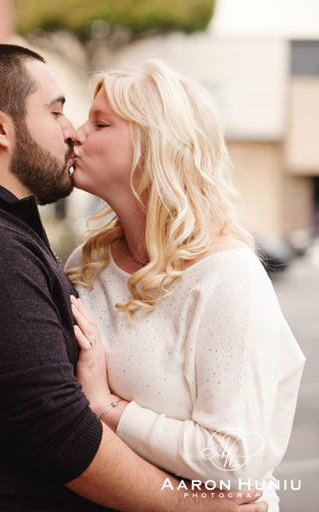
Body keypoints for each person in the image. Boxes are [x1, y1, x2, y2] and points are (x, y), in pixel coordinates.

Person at [0, 44, 266, 511]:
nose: (72, 133)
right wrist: (192, 507)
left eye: (97, 122)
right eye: (57, 112)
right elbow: (55, 426)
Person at [66, 59, 305, 512]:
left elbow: (235, 459)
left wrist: (107, 408)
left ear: (154, 146)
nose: (76, 133)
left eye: (100, 122)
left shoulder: (229, 276)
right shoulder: (88, 263)